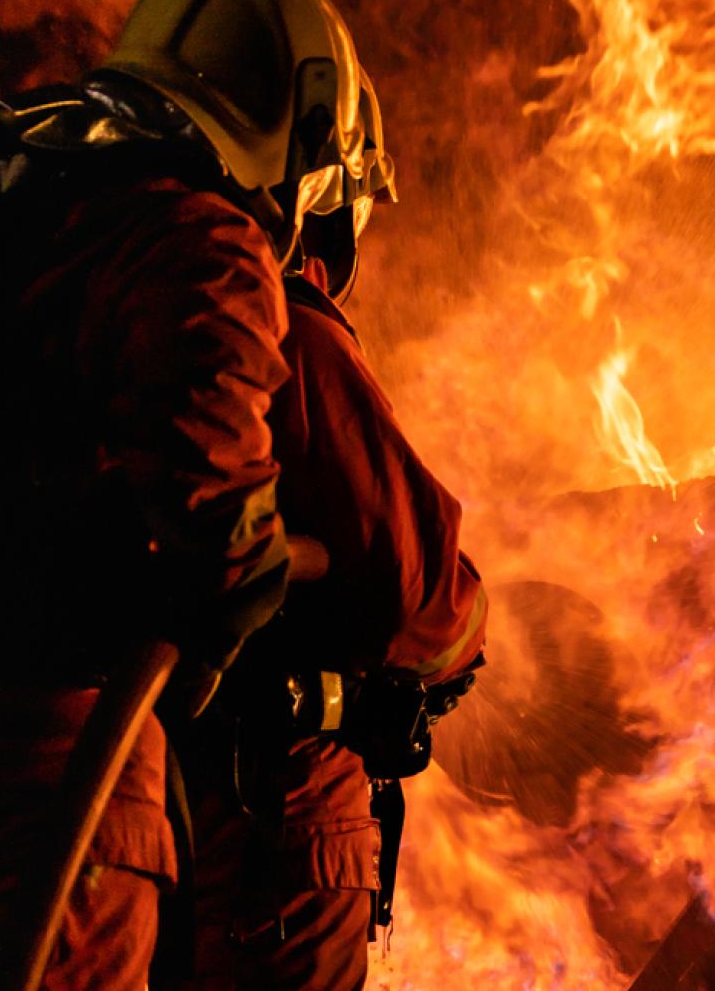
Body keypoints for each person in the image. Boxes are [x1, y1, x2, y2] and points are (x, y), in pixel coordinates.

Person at [0, 0, 378, 990]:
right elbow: (215, 509)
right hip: (50, 769)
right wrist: (248, 585)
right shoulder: (197, 238)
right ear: (300, 112)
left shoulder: (3, 205)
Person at [156, 72, 489, 988]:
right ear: (314, 190)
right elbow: (422, 603)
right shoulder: (277, 325)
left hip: (117, 807)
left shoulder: (92, 286)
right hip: (263, 818)